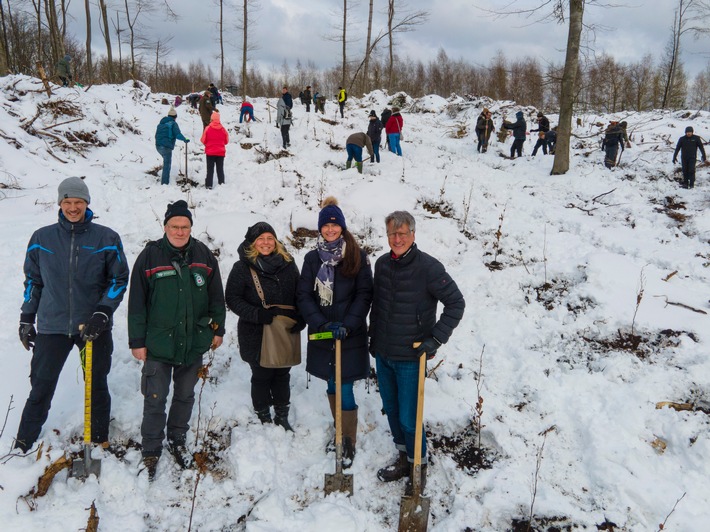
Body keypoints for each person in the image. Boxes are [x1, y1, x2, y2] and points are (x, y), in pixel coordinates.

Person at [15, 177, 129, 453]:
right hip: (52, 325)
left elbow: (119, 279)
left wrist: (102, 313)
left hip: (92, 325)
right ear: (60, 203)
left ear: (87, 203)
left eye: (78, 202)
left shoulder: (106, 237)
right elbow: (33, 281)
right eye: (68, 202)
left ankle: (99, 438)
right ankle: (22, 442)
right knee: (40, 385)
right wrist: (27, 317)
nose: (73, 207)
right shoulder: (42, 238)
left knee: (97, 382)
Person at [128, 200, 226, 480]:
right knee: (155, 397)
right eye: (175, 226)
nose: (180, 231)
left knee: (185, 395)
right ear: (165, 227)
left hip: (193, 341)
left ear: (191, 228)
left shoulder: (203, 255)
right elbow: (137, 303)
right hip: (158, 343)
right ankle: (151, 449)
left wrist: (217, 331)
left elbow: (216, 298)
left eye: (185, 226)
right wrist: (137, 340)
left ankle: (177, 439)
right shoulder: (150, 257)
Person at [370, 210, 465, 494]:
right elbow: (379, 305)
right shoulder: (382, 264)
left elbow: (456, 304)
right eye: (392, 234)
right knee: (393, 410)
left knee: (410, 417)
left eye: (402, 233)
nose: (397, 239)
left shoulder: (429, 268)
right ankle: (404, 458)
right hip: (384, 353)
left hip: (411, 357)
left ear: (413, 234)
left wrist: (436, 338)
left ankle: (418, 466)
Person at [297, 198, 373, 467]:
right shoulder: (311, 258)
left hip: (349, 334)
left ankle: (347, 439)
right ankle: (338, 427)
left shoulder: (357, 256)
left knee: (344, 384)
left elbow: (365, 294)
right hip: (324, 333)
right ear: (320, 229)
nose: (330, 230)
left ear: (342, 227)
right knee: (331, 381)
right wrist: (321, 324)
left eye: (334, 225)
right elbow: (303, 296)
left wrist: (348, 324)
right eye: (325, 226)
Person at [225, 222, 304, 430]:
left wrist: (301, 317)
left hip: (284, 328)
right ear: (252, 242)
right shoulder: (242, 267)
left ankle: (281, 414)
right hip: (255, 331)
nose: (266, 243)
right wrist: (256, 314)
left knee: (282, 373)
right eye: (261, 239)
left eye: (270, 238)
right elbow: (232, 298)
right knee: (261, 374)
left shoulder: (288, 264)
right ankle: (262, 413)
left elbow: (300, 293)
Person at [155, 106, 190, 186]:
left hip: (158, 146)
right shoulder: (173, 124)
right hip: (166, 147)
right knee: (167, 164)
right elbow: (177, 134)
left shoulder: (161, 123)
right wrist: (185, 139)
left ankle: (164, 180)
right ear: (175, 117)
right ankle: (164, 183)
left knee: (165, 162)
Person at [201, 111, 229, 189]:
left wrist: (208, 144)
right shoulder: (223, 129)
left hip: (210, 152)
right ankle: (221, 183)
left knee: (210, 170)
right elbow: (226, 141)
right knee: (220, 169)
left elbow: (203, 140)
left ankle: (209, 185)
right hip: (220, 153)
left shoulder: (208, 128)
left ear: (211, 119)